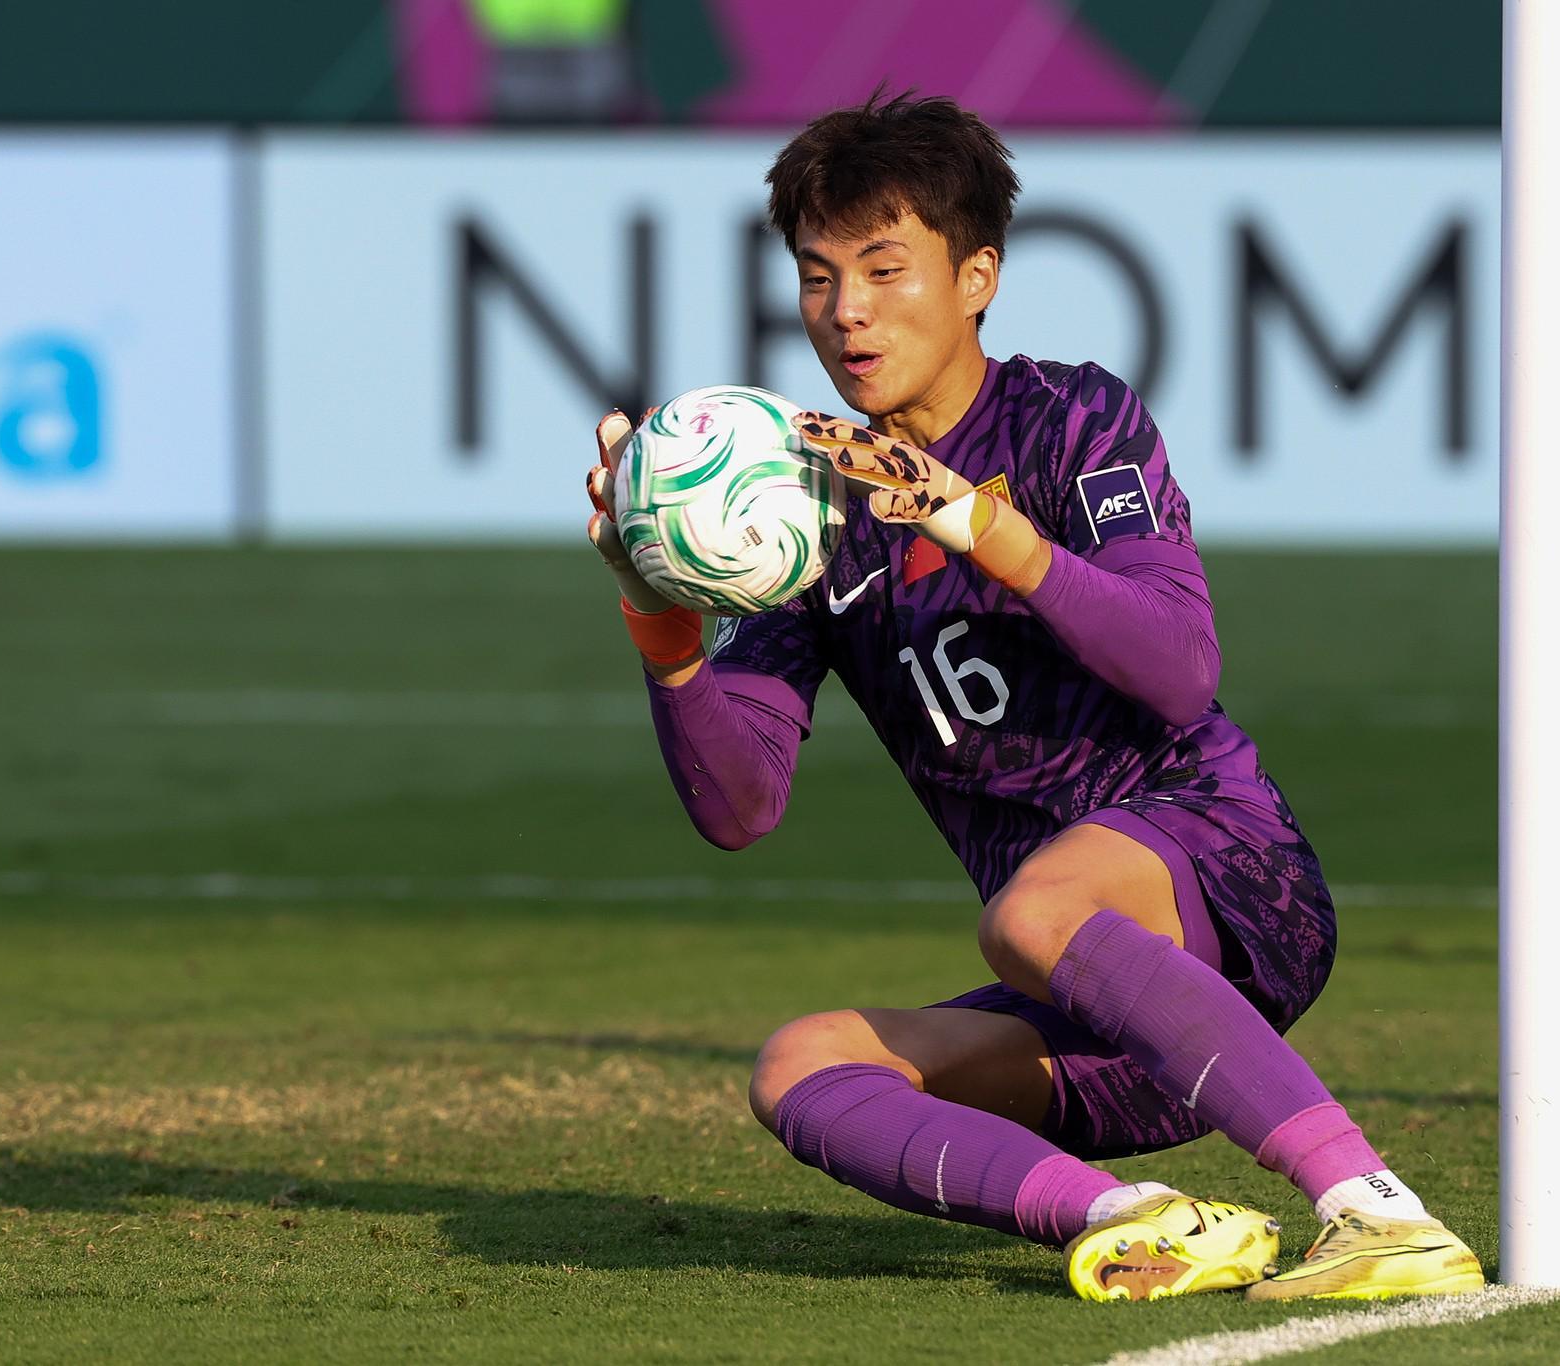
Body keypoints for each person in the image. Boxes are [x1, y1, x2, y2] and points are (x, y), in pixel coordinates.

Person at [583, 92, 1483, 1303]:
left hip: (1230, 877)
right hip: (1100, 1013)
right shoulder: (810, 512)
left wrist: (971, 521)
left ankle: (1378, 1211)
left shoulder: (1069, 417)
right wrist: (660, 616)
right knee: (802, 1062)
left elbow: (1181, 667)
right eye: (815, 277)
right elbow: (738, 807)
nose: (845, 311)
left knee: (1030, 912)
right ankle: (1139, 1218)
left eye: (883, 269)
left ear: (976, 278)